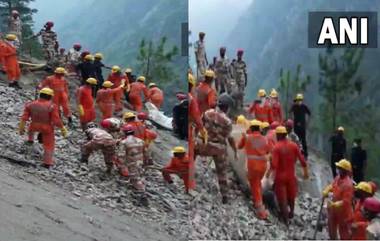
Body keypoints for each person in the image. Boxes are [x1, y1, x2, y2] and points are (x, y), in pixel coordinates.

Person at [195, 94, 237, 204]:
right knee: (222, 172)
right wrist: (235, 150)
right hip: (218, 149)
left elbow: (199, 125)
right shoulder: (228, 122)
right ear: (227, 107)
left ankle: (187, 173)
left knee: (192, 153)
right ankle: (225, 196)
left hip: (203, 145)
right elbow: (229, 138)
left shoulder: (207, 113)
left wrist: (196, 138)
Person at [19, 88, 68, 168]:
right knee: (49, 145)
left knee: (31, 129)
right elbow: (56, 120)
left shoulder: (30, 104)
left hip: (34, 124)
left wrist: (21, 127)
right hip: (46, 127)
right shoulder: (52, 106)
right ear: (49, 96)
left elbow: (24, 117)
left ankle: (30, 140)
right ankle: (47, 162)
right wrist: (62, 128)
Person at [269, 126, 308, 225]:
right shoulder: (294, 145)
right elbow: (303, 161)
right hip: (291, 176)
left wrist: (267, 173)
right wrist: (306, 173)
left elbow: (274, 165)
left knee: (282, 198)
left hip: (280, 177)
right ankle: (291, 212)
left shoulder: (276, 147)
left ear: (279, 135)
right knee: (291, 195)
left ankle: (286, 220)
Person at [238, 119, 271, 219]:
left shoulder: (247, 137)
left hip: (253, 166)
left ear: (251, 128)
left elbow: (239, 146)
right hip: (263, 167)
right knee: (258, 184)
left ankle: (261, 211)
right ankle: (259, 201)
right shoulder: (265, 139)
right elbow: (269, 151)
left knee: (255, 186)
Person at [322, 159, 354, 240]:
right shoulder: (338, 178)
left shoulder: (348, 185)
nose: (338, 169)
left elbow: (346, 201)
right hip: (334, 209)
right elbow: (333, 186)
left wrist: (335, 204)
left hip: (343, 212)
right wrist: (327, 190)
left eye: (340, 168)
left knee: (343, 232)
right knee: (331, 226)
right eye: (338, 167)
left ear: (345, 171)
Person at [120, 124, 148, 206]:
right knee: (140, 177)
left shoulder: (124, 142)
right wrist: (146, 162)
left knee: (135, 179)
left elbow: (121, 155)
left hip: (131, 163)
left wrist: (122, 167)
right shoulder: (140, 141)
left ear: (125, 132)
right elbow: (146, 153)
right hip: (140, 162)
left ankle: (142, 196)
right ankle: (140, 193)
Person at [289, 93, 311, 159]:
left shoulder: (304, 107)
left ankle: (305, 155)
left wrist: (307, 123)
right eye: (298, 100)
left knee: (303, 140)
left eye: (300, 100)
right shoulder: (294, 106)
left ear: (302, 100)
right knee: (296, 140)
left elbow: (309, 114)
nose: (299, 101)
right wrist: (291, 120)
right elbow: (290, 112)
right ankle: (296, 153)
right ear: (296, 100)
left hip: (302, 127)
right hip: (296, 126)